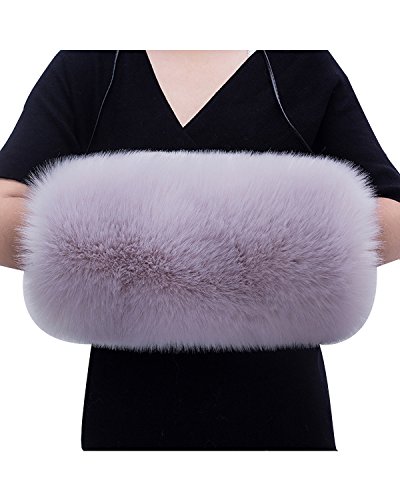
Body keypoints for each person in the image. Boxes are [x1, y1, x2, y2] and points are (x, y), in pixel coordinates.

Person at [0, 50, 399, 451]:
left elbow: (392, 211)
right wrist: (245, 252)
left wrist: (140, 250)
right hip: (130, 410)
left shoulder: (299, 63)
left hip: (282, 411)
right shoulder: (93, 63)